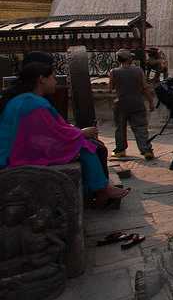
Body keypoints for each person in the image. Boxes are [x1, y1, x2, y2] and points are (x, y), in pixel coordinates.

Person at [0, 62, 129, 207]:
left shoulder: (26, 100)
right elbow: (54, 132)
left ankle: (99, 190)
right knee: (85, 146)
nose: (55, 82)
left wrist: (76, 132)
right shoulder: (34, 103)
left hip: (19, 147)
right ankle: (101, 189)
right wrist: (80, 133)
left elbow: (51, 129)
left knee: (87, 145)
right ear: (42, 79)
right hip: (15, 153)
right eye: (53, 78)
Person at [109, 49, 156, 160]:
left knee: (120, 128)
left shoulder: (114, 72)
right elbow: (145, 88)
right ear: (129, 59)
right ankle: (146, 150)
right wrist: (151, 102)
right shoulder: (138, 71)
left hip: (121, 104)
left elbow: (111, 88)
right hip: (137, 103)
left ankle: (120, 150)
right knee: (141, 128)